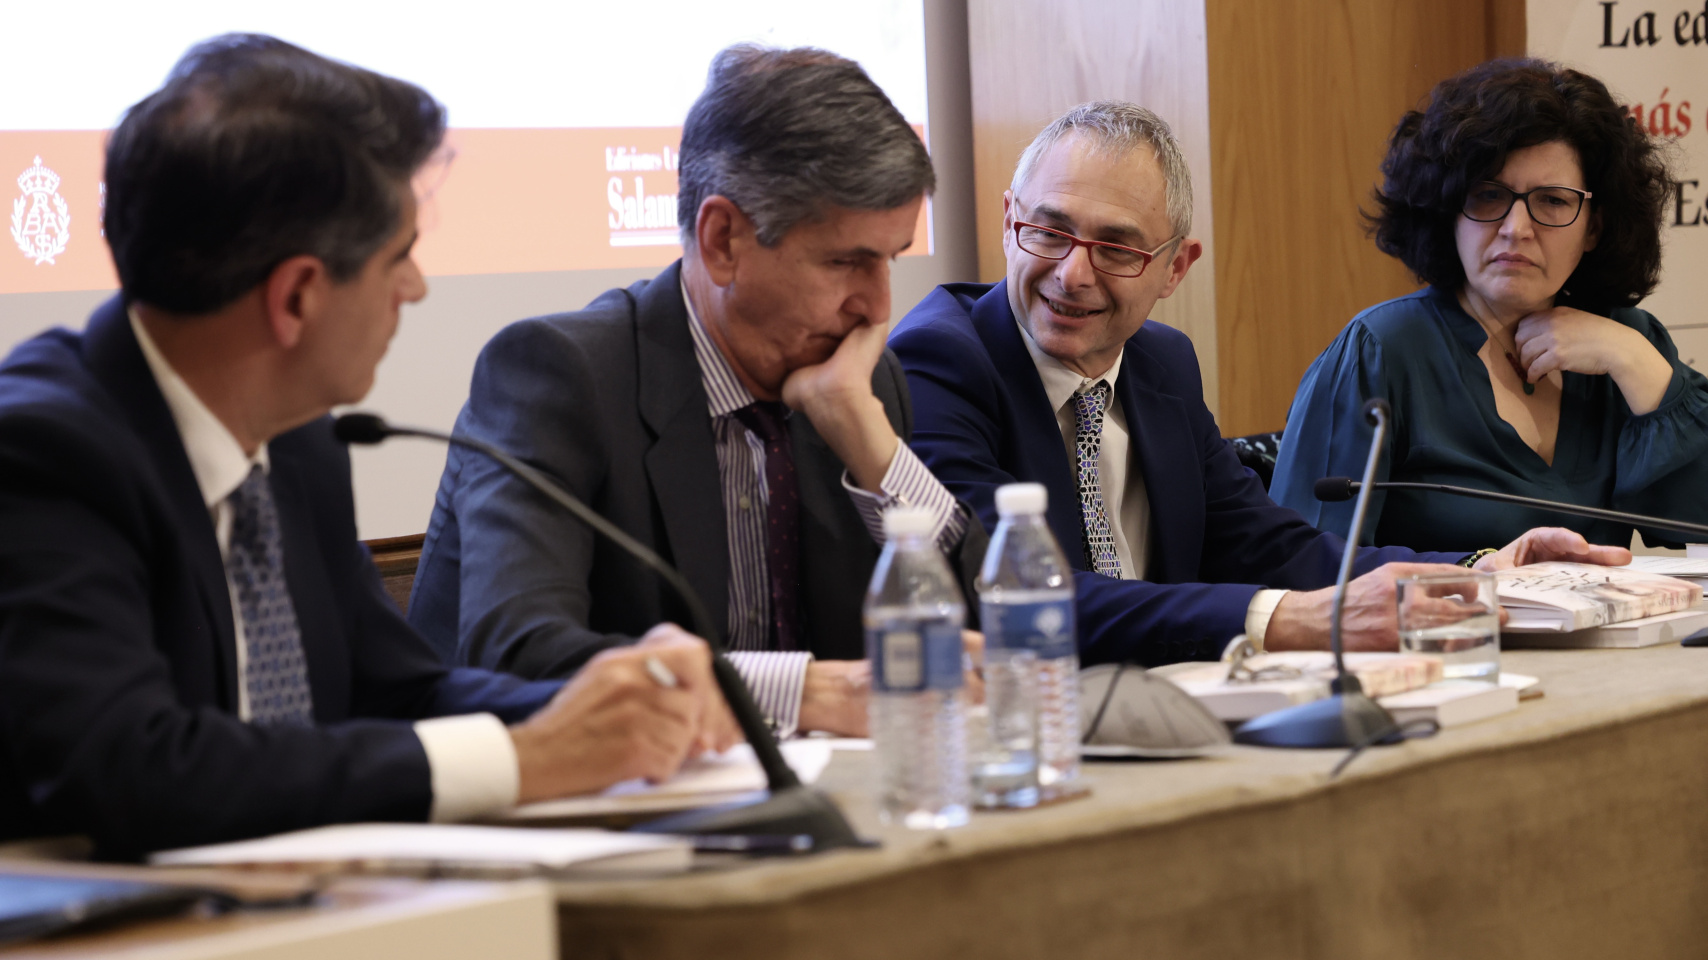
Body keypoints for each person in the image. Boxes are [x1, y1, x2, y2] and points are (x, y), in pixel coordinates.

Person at [0, 35, 738, 859]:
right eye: (400, 256)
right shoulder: (44, 453)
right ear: (298, 296)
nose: (416, 287)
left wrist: (598, 708)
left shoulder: (298, 440)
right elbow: (133, 769)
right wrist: (523, 760)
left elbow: (394, 687)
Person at [889, 100, 1628, 666]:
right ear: (1011, 218)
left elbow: (1270, 547)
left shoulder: (1162, 364)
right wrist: (1292, 620)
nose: (1072, 273)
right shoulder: (937, 363)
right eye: (1049, 233)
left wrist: (1476, 570)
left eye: (1116, 247)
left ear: (1176, 268)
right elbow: (1017, 598)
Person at [408, 45, 987, 738]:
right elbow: (521, 657)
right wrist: (799, 693)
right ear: (721, 240)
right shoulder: (558, 376)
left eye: (889, 261)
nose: (877, 307)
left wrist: (873, 449)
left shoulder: (859, 387)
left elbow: (989, 625)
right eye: (845, 262)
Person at [1271, 59, 1708, 552]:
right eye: (1487, 195)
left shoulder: (1629, 343)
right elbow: (1301, 565)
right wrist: (1471, 571)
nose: (1516, 228)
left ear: (1595, 227)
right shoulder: (1381, 350)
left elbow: (1694, 523)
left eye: (1553, 201)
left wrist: (1635, 363)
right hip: (1441, 630)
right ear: (1446, 210)